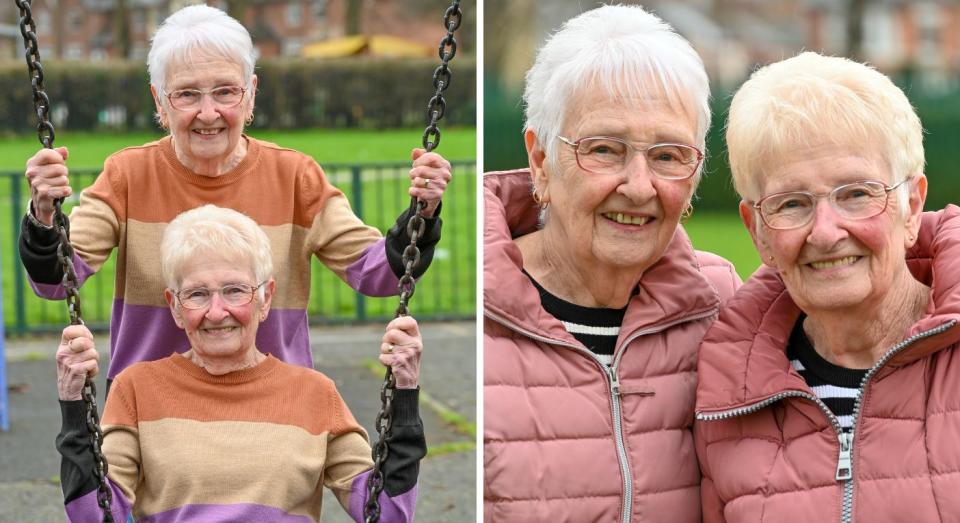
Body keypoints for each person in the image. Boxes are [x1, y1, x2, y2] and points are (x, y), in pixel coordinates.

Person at [20, 4, 451, 381]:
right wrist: (44, 213)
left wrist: (423, 213)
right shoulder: (127, 176)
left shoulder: (295, 176)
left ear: (250, 96)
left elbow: (380, 274)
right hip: (149, 414)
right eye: (187, 94)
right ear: (159, 102)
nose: (209, 113)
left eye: (226, 91)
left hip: (272, 409)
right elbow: (58, 281)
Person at [482, 6, 741, 522]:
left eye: (668, 155)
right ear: (540, 161)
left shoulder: (723, 304)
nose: (639, 186)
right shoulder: (482, 312)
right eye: (604, 149)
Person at [694, 52, 960, 521]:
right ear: (757, 231)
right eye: (792, 204)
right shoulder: (726, 400)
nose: (825, 231)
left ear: (912, 205)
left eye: (857, 194)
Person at [55, 205, 426, 522]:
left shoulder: (314, 394)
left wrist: (405, 392)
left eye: (235, 290)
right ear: (175, 306)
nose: (217, 312)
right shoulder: (136, 389)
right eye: (197, 294)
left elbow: (386, 513)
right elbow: (97, 515)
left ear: (266, 299)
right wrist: (74, 404)